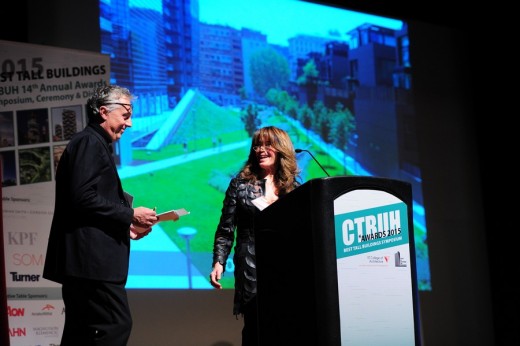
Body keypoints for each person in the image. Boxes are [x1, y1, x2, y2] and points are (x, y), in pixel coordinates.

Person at [43, 84, 158, 346]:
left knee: (80, 332)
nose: (130, 123)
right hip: (90, 264)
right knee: (115, 324)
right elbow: (81, 197)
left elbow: (87, 202)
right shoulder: (89, 142)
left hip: (83, 263)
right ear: (104, 112)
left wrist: (125, 225)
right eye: (126, 115)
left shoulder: (92, 142)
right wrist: (130, 215)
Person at [209, 126, 301, 346]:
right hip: (251, 264)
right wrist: (219, 261)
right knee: (256, 326)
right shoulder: (240, 185)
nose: (261, 149)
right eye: (257, 145)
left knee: (285, 326)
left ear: (281, 149)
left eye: (267, 144)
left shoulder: (294, 188)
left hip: (286, 267)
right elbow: (225, 228)